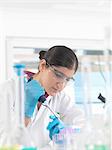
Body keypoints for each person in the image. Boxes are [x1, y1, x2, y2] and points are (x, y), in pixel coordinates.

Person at [0, 46, 85, 149]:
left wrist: (66, 132)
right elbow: (4, 140)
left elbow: (81, 128)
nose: (61, 85)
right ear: (43, 65)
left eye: (67, 79)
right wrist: (25, 116)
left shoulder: (61, 98)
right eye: (58, 75)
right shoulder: (9, 90)